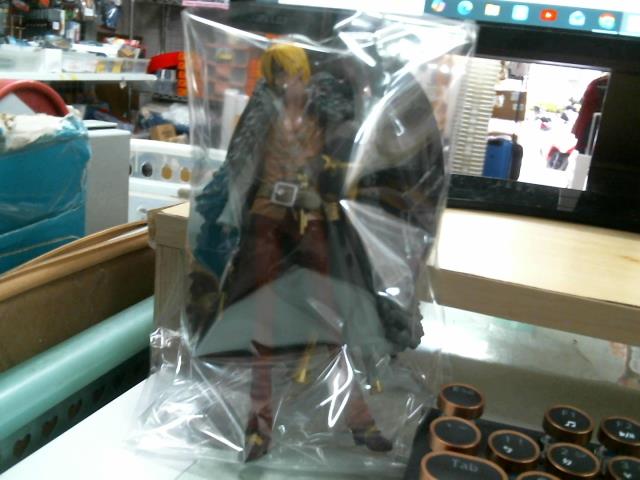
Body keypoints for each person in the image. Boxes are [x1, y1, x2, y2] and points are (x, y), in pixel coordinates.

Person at [190, 44, 393, 461]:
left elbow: (351, 156)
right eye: (278, 75)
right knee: (259, 320)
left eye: (292, 73)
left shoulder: (326, 111)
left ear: (304, 74)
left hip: (311, 214)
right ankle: (258, 424)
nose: (287, 82)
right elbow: (239, 166)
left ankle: (358, 417)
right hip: (267, 214)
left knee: (332, 313)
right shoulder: (261, 114)